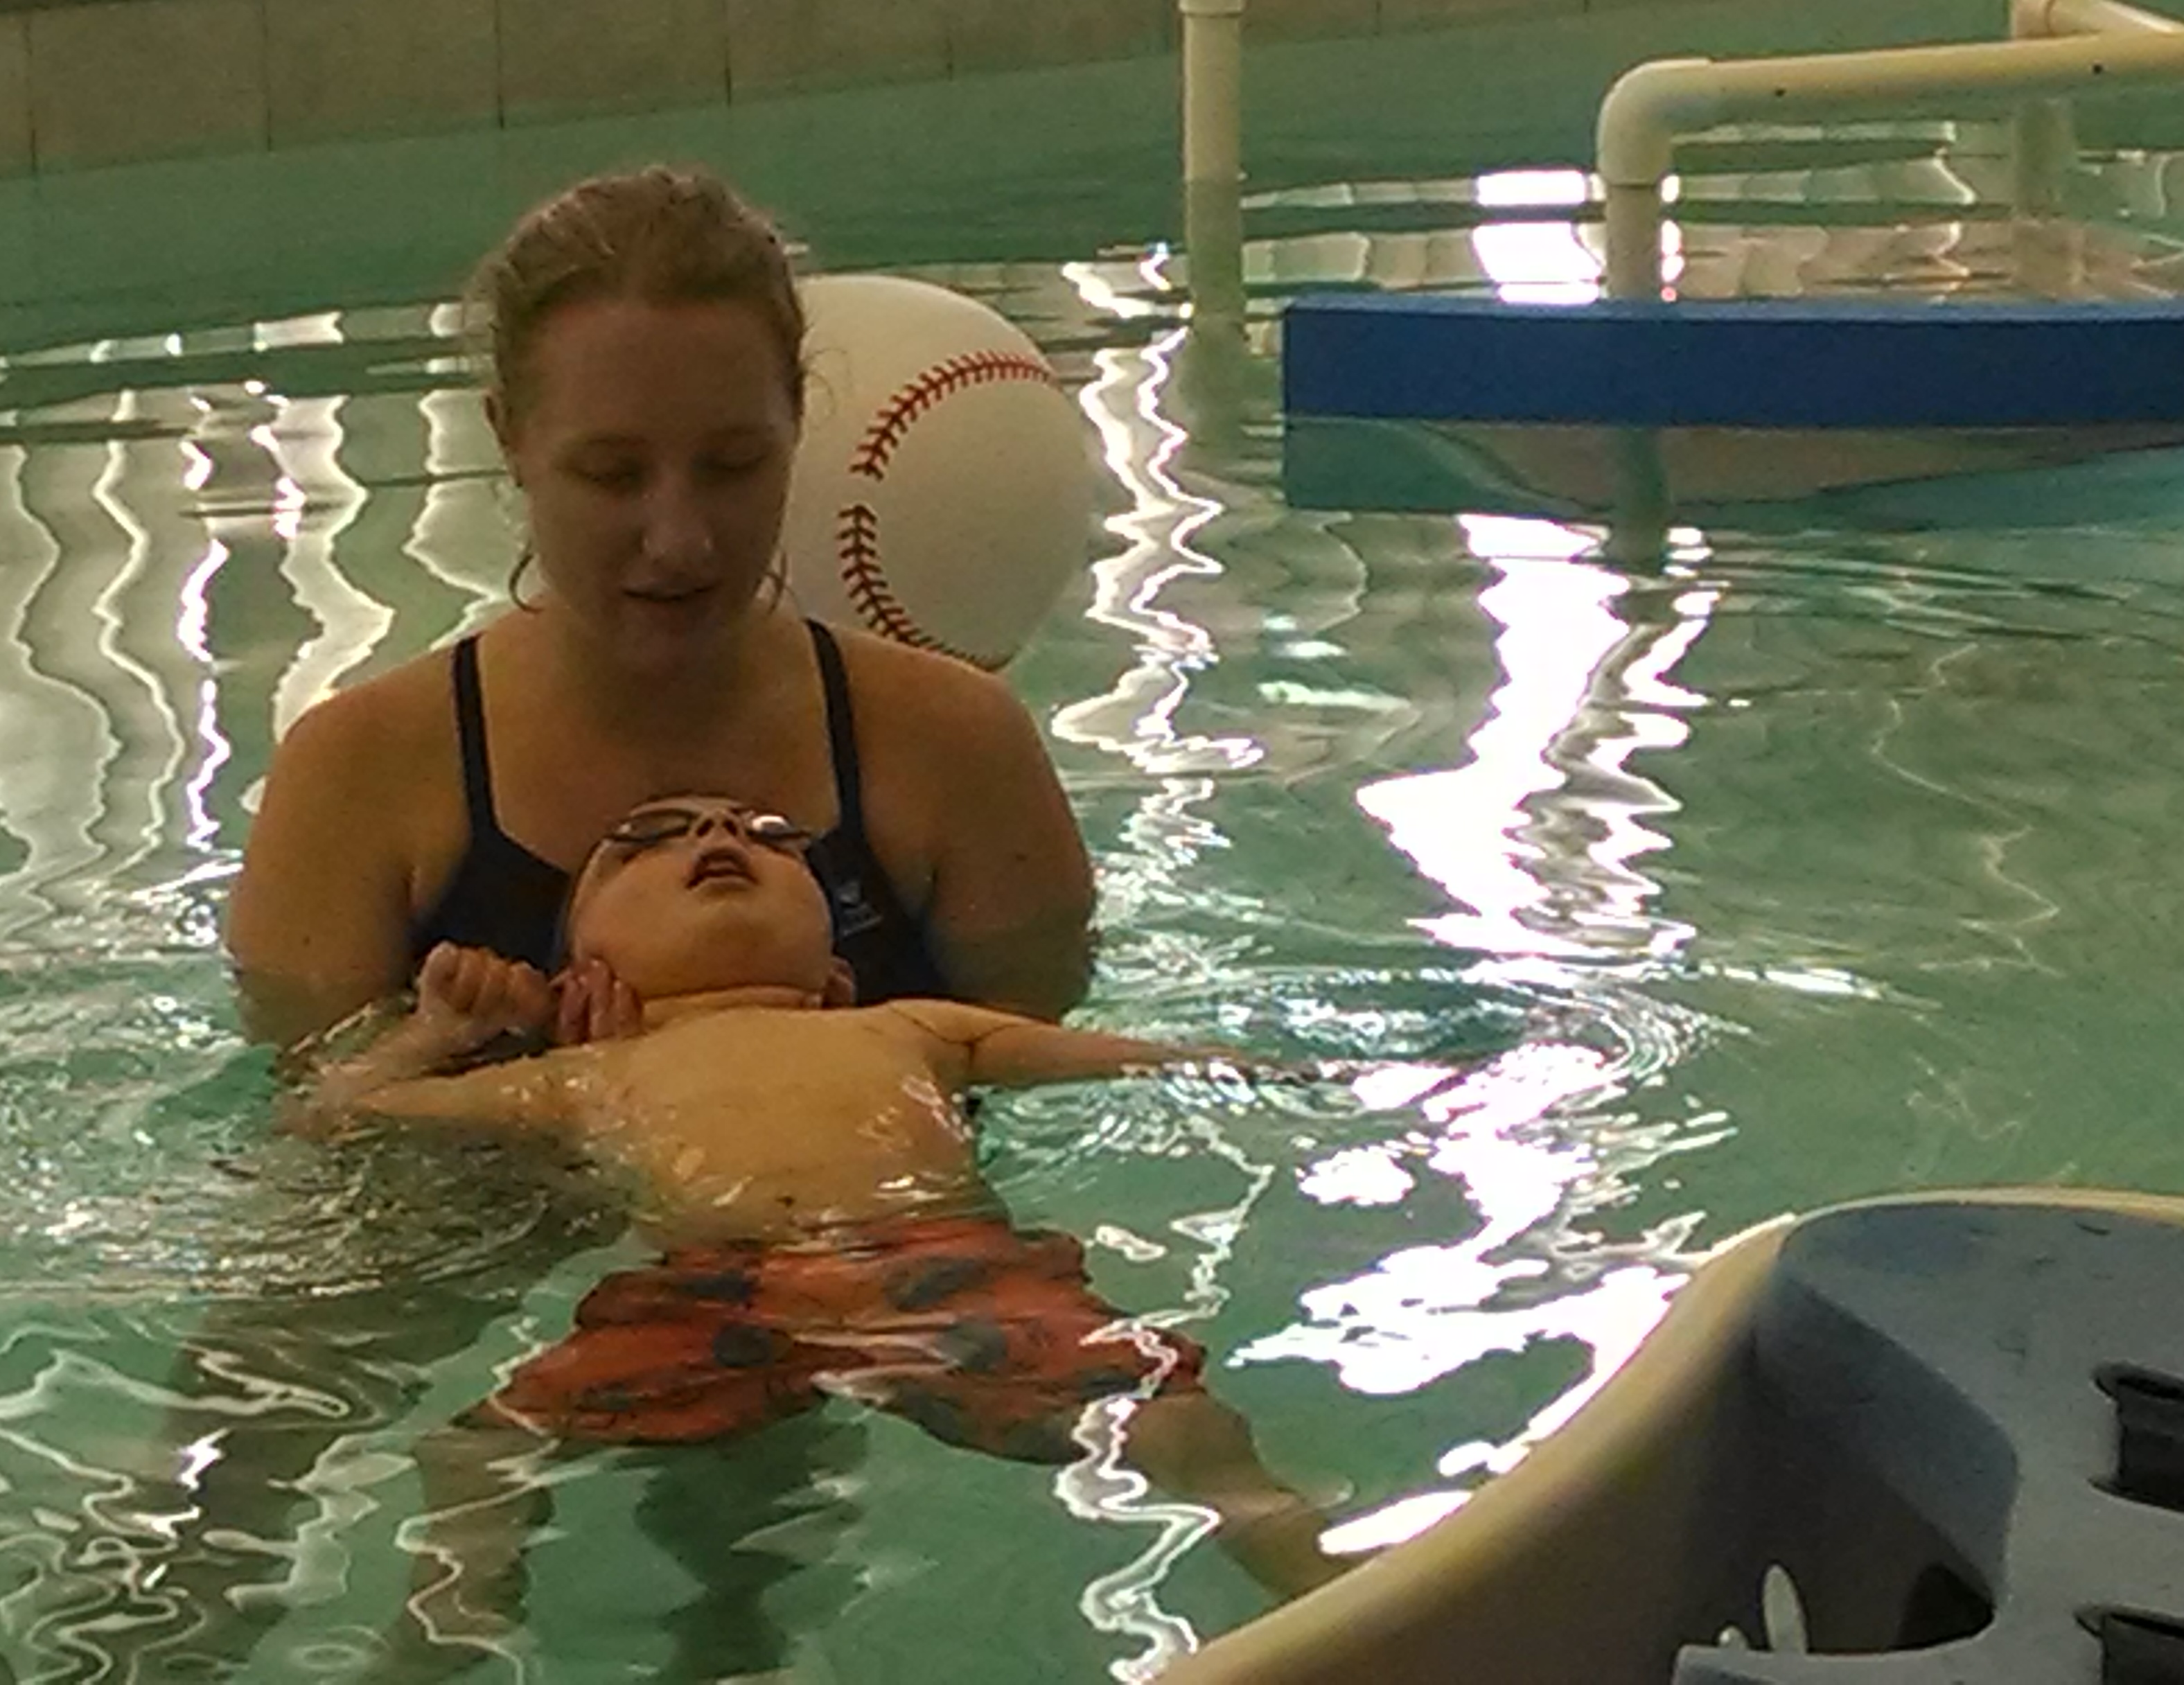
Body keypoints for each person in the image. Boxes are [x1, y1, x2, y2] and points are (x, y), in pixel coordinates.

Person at [297, 795, 1353, 1672]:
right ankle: (445, 1631)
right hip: (708, 1290)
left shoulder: (907, 1025)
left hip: (930, 1262)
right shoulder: (574, 1078)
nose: (719, 835)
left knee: (1164, 1416)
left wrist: (1299, 1069)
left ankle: (1330, 1589)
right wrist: (440, 1032)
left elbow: (1140, 1060)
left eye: (770, 834)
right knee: (479, 1448)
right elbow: (338, 1119)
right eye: (645, 840)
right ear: (582, 977)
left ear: (835, 973)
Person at [225, 165, 1096, 1061]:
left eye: (732, 466)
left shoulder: (952, 748)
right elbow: (307, 1137)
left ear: (798, 421)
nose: (680, 541)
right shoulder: (360, 781)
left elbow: (1062, 1098)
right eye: (613, 475)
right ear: (510, 439)